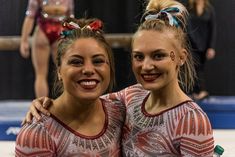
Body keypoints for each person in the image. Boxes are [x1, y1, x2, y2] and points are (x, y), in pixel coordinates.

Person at [22, 0, 215, 156]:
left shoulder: (192, 120)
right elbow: (84, 99)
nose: (147, 66)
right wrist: (45, 105)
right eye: (139, 56)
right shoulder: (129, 100)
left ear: (181, 57)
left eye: (158, 55)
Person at [15, 18, 126, 156]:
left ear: (110, 67)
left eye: (98, 61)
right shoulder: (36, 133)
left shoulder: (121, 111)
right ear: (59, 70)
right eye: (76, 62)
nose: (88, 69)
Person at [20, 0, 74, 98]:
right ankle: (45, 108)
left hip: (48, 32)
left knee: (53, 73)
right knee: (63, 72)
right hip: (53, 32)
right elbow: (71, 19)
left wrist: (24, 40)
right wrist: (24, 41)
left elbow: (30, 16)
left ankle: (46, 108)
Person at [187, 0, 217, 100]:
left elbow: (213, 29)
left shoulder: (209, 10)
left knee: (201, 68)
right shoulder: (189, 9)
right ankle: (199, 91)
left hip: (204, 45)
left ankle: (198, 92)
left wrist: (211, 47)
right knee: (195, 67)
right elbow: (187, 27)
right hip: (192, 43)